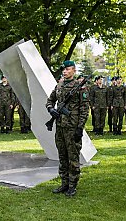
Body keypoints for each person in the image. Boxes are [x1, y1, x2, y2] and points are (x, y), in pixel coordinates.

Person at [46, 60, 89, 197]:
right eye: (63, 70)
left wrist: (80, 128)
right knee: (62, 156)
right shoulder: (58, 85)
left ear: (74, 71)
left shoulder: (80, 87)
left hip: (72, 127)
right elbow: (50, 100)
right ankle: (64, 183)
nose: (65, 72)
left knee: (73, 157)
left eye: (68, 69)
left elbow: (84, 109)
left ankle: (72, 185)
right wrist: (51, 110)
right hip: (59, 126)